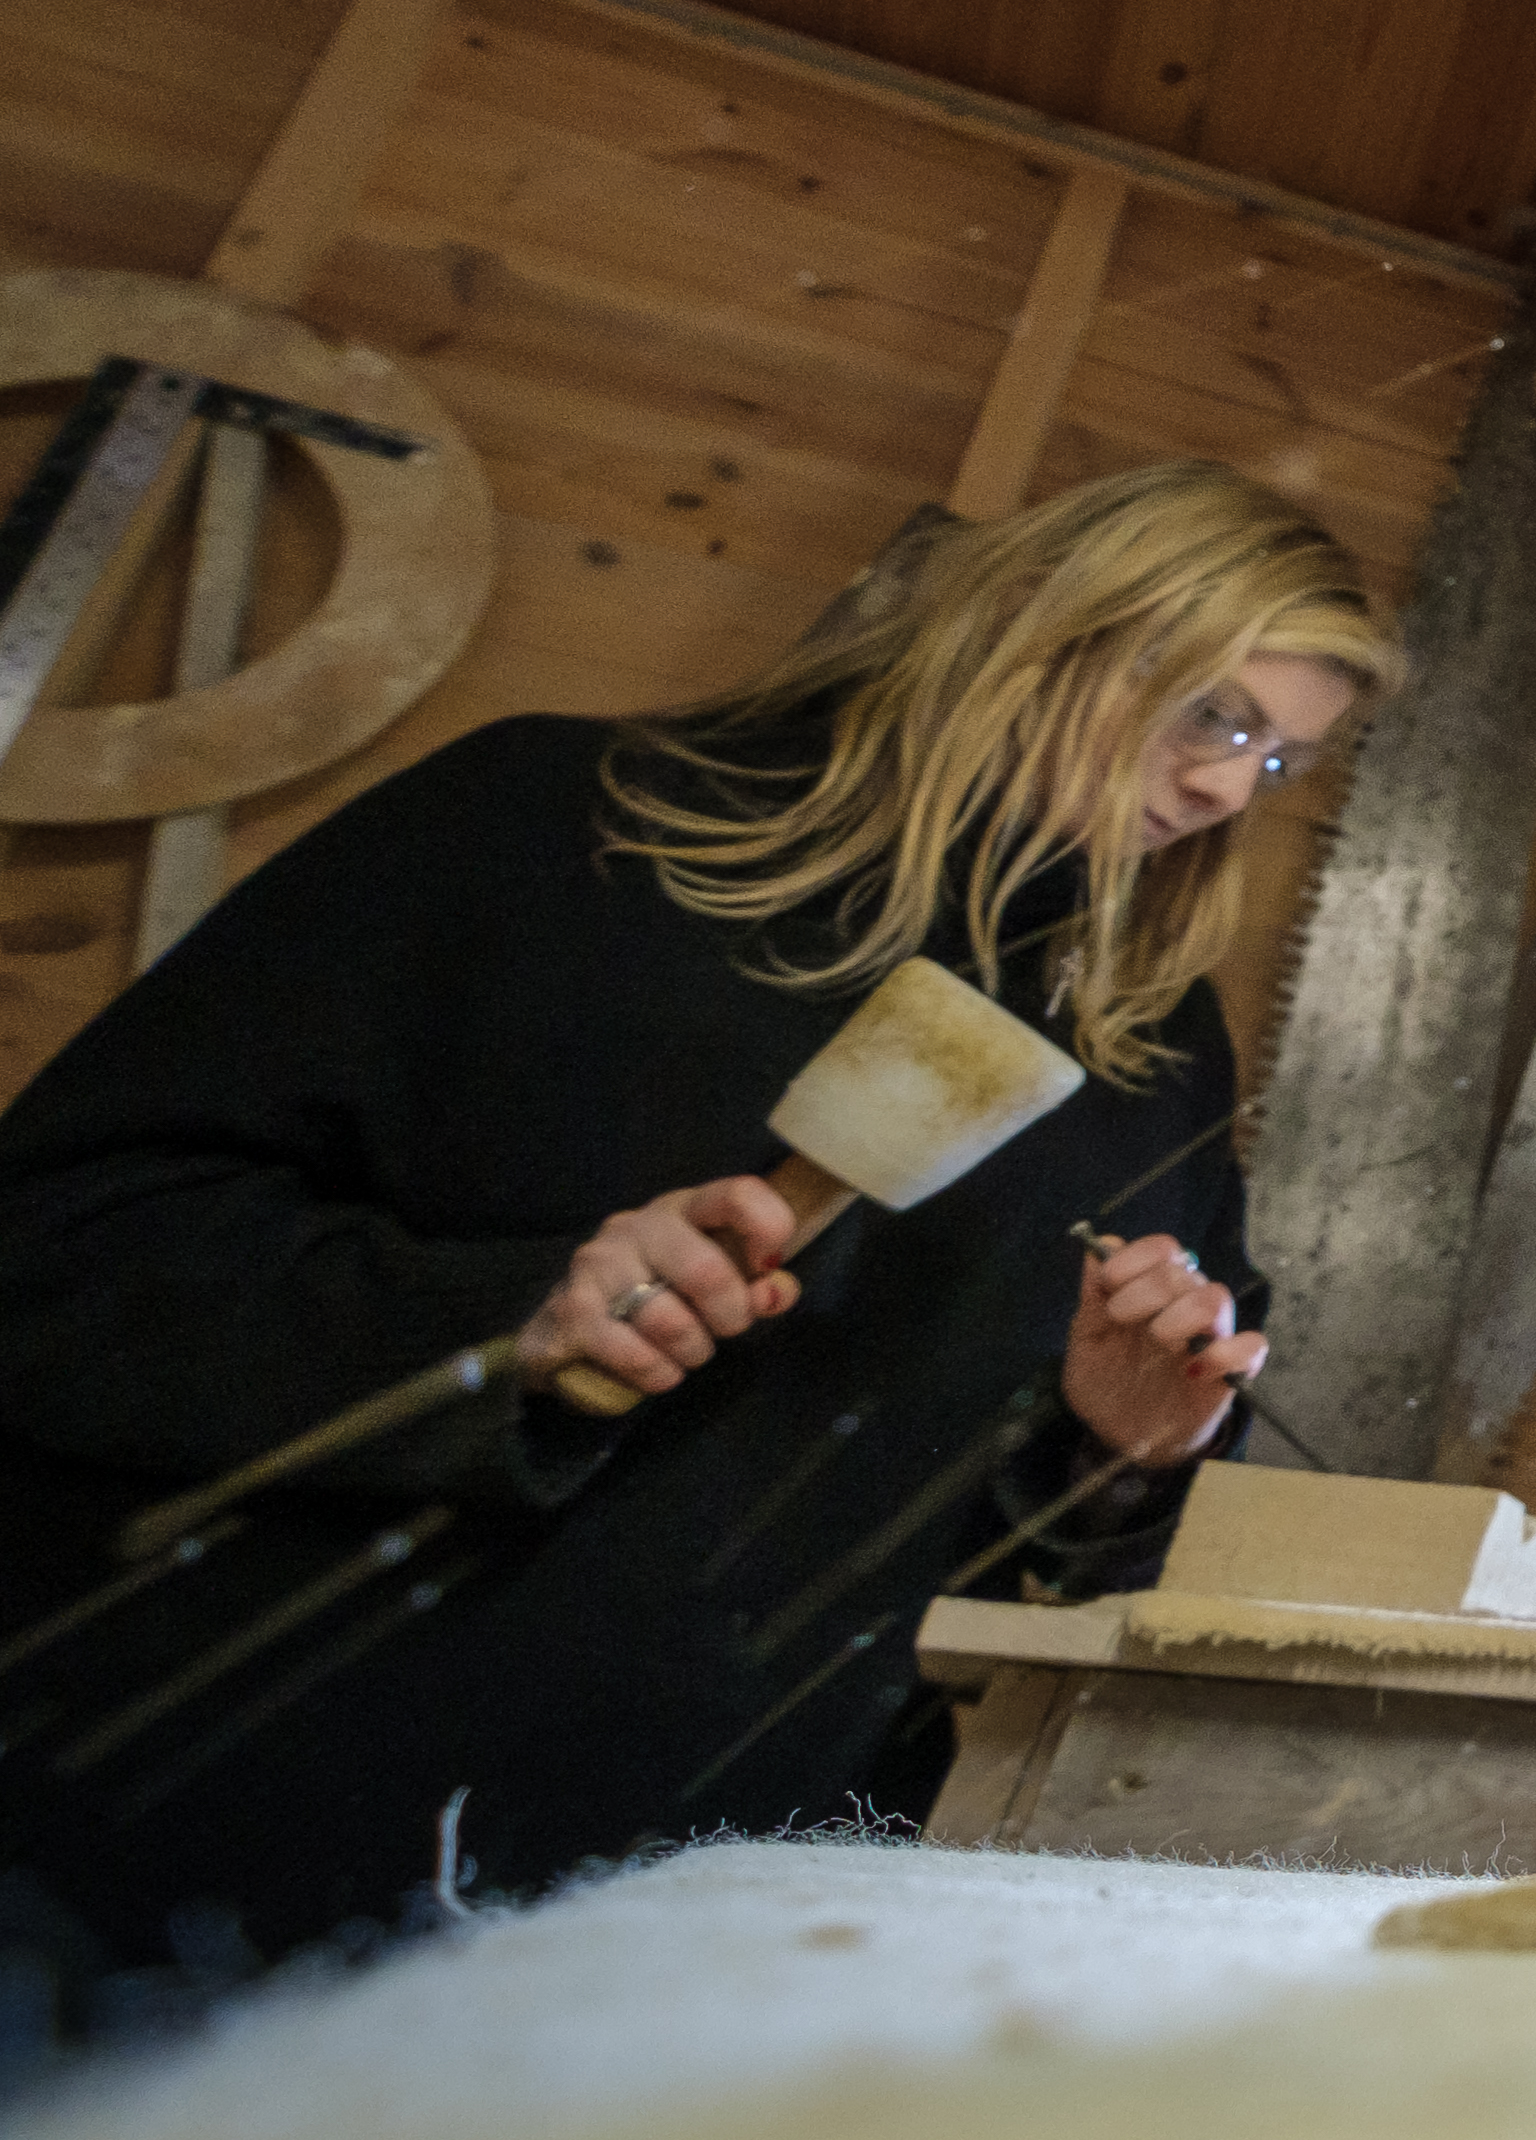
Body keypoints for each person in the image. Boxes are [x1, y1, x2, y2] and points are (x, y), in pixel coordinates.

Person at [0, 462, 1389, 2044]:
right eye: (1210, 711)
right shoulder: (551, 827)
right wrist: (503, 1326)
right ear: (1043, 624)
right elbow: (59, 1243)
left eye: (1280, 755)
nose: (1226, 786)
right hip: (190, 1835)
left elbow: (1046, 1547)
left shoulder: (1142, 1044)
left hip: (699, 1922)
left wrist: (1118, 1451)